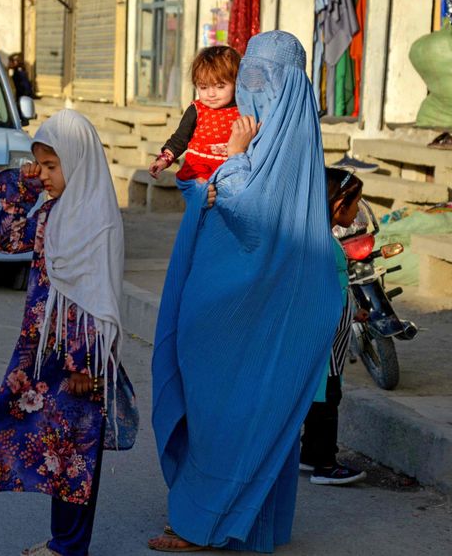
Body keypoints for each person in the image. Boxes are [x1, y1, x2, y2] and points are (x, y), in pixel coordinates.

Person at [148, 31, 342, 553]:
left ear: (285, 85)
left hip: (247, 308)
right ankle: (248, 523)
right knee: (243, 408)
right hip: (244, 301)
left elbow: (247, 211)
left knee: (229, 411)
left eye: (260, 79)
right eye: (246, 75)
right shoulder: (287, 133)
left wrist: (233, 158)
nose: (250, 90)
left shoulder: (276, 140)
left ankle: (201, 525)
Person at [0, 109, 136, 556]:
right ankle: (61, 542)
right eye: (41, 166)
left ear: (79, 160)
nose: (44, 175)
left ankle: (70, 546)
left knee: (77, 454)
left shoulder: (98, 220)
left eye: (51, 166)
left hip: (81, 355)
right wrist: (23, 188)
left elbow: (98, 295)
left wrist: (85, 362)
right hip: (43, 346)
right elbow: (9, 240)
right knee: (50, 446)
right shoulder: (50, 212)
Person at [300, 168, 369, 486]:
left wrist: (353, 312)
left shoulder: (319, 239)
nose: (357, 211)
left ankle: (310, 455)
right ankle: (326, 464)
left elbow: (335, 289)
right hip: (323, 338)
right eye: (355, 203)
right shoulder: (321, 246)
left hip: (332, 335)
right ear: (339, 203)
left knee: (323, 397)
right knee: (326, 400)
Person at [149, 46, 241, 183]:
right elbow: (179, 140)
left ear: (236, 82)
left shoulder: (243, 110)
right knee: (202, 194)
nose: (211, 94)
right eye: (203, 87)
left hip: (230, 175)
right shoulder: (196, 110)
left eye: (220, 86)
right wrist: (163, 160)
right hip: (197, 173)